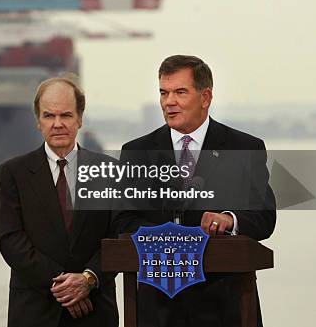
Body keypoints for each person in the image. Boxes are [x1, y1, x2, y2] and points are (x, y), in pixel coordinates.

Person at [116, 55, 276, 327]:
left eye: (180, 92)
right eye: (163, 93)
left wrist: (229, 219)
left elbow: (263, 216)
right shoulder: (137, 152)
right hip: (159, 308)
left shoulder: (242, 148)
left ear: (205, 97)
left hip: (226, 306)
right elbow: (122, 220)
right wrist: (171, 238)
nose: (169, 102)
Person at [0, 76, 119, 327]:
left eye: (66, 115)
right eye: (49, 116)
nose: (58, 124)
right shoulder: (13, 173)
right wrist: (66, 287)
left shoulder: (110, 171)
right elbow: (11, 241)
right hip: (34, 312)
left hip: (95, 312)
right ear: (38, 121)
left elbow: (120, 235)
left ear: (80, 119)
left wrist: (88, 279)